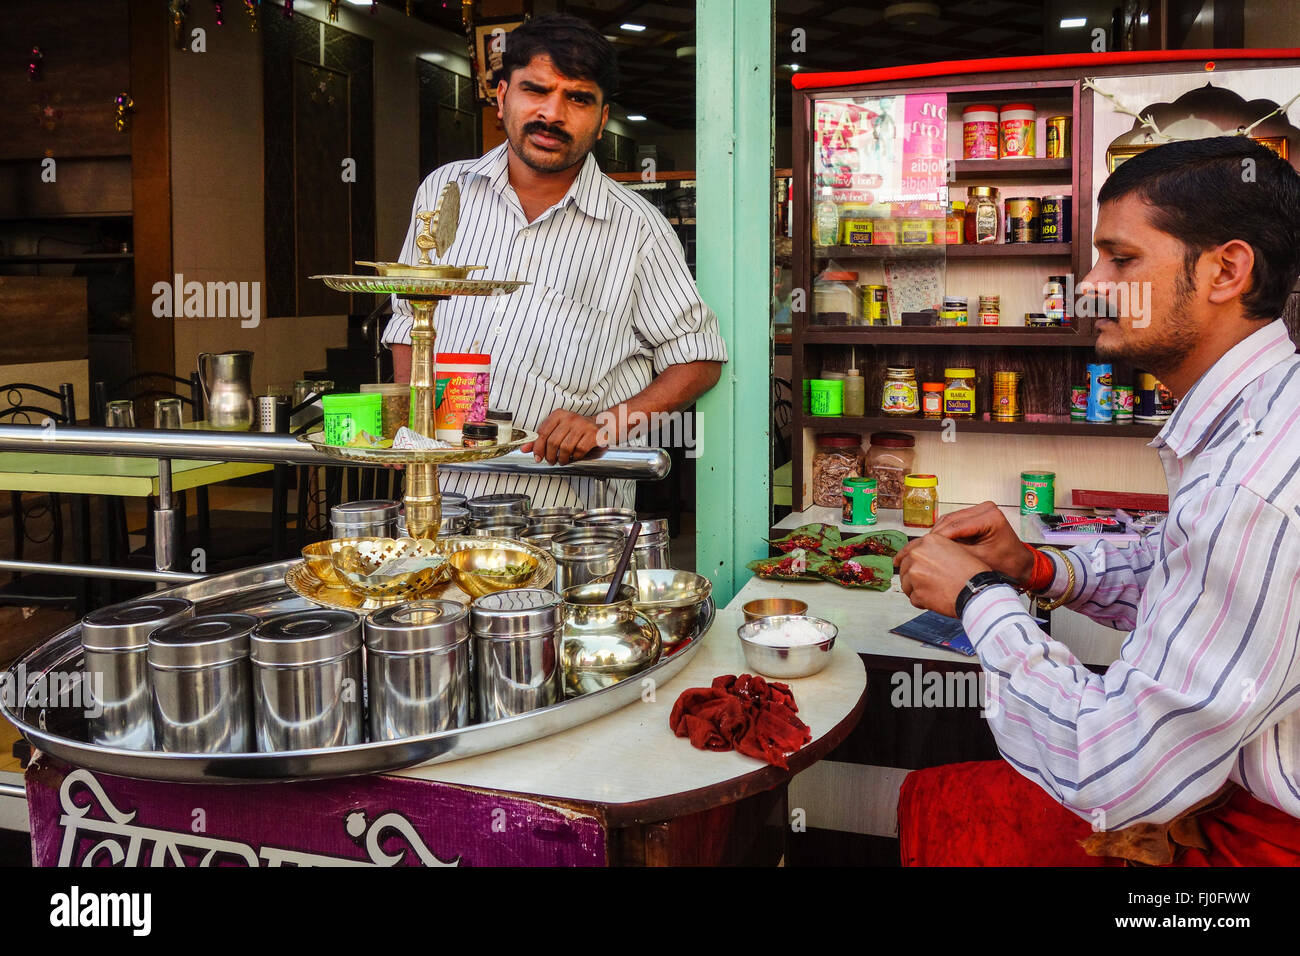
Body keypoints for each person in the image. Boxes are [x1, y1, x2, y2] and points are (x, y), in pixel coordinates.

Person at [895, 135, 1300, 865]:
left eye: (1120, 259)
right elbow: (1197, 575)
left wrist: (982, 598)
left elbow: (1113, 768)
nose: (1087, 284)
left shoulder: (1258, 486)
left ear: (1226, 270)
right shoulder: (1259, 419)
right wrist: (1038, 569)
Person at [381, 14, 727, 511]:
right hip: (441, 499)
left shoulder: (636, 226)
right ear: (502, 97)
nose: (552, 113)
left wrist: (606, 424)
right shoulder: (444, 191)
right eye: (535, 90)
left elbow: (698, 360)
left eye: (578, 98)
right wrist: (407, 410)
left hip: (570, 514)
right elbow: (409, 317)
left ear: (602, 117)